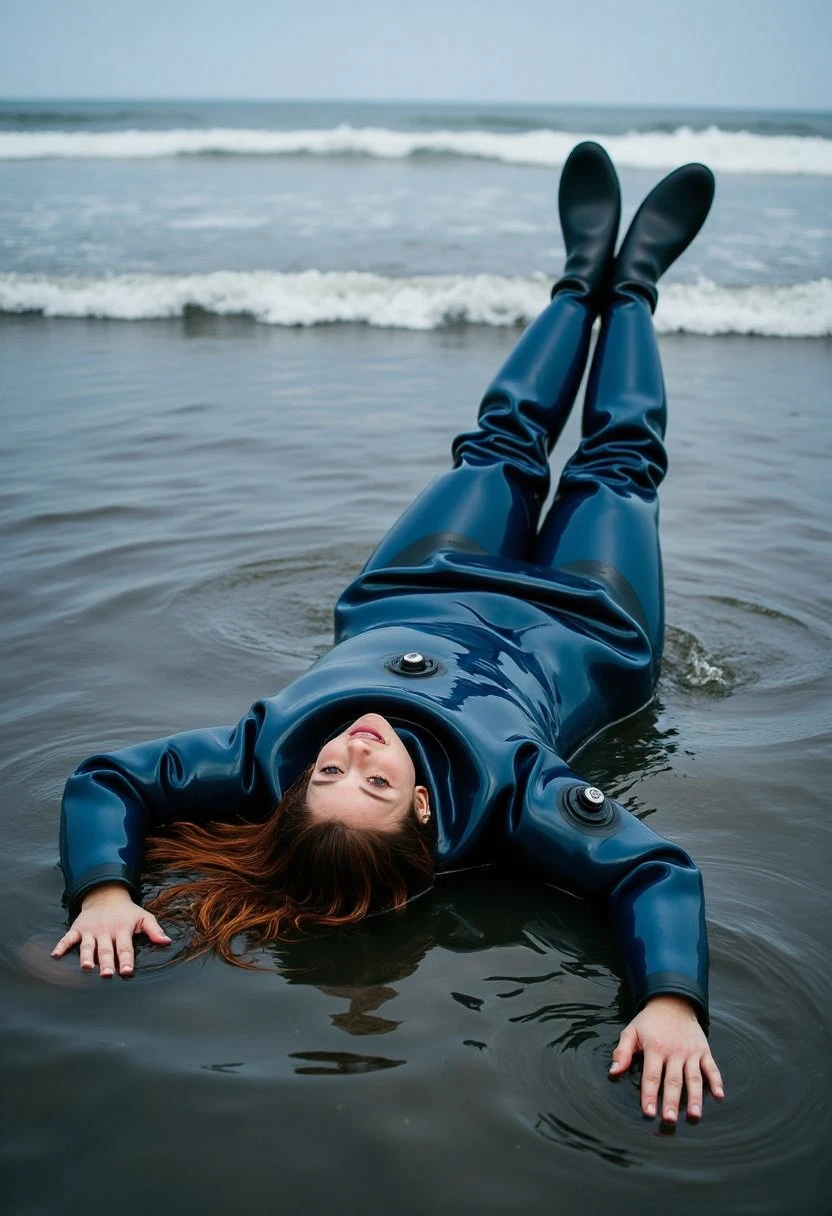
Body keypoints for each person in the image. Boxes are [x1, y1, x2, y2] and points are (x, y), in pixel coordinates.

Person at [53, 143, 725, 1124]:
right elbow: (651, 869)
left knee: (500, 441)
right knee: (618, 466)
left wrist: (103, 892)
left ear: (292, 789)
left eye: (329, 775)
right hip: (587, 621)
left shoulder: (260, 752)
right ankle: (632, 287)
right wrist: (669, 997)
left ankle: (577, 276)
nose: (353, 750)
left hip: (416, 582)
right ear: (419, 812)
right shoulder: (513, 799)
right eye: (372, 783)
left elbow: (108, 778)